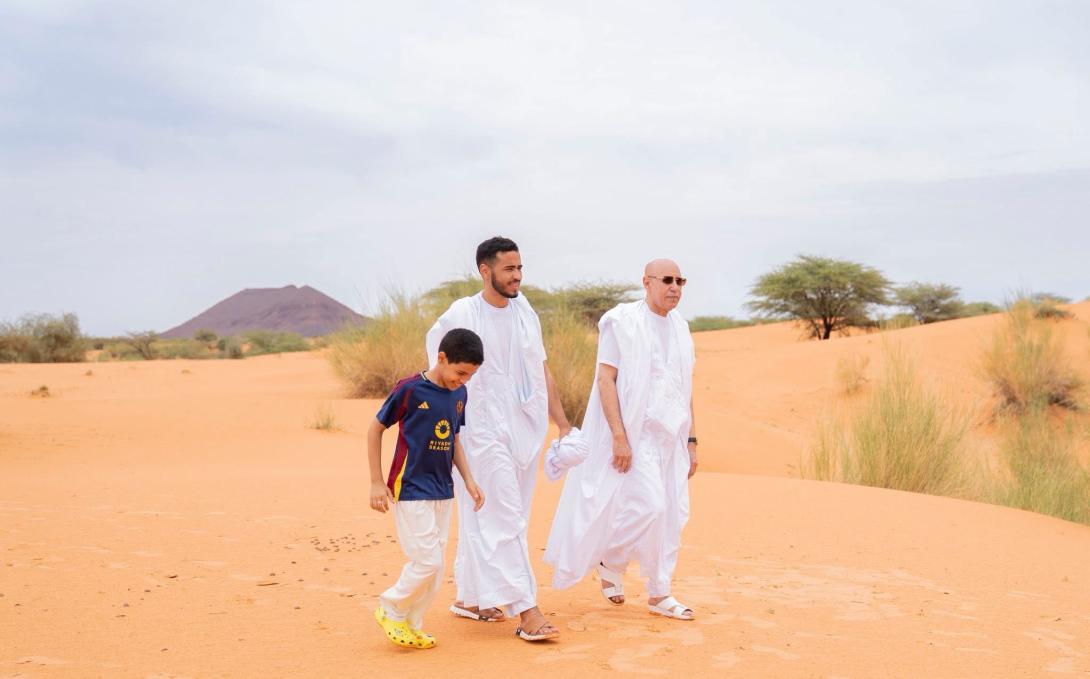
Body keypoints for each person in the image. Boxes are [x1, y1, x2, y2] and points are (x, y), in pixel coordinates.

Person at [426, 236, 572, 642]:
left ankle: (472, 598)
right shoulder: (462, 314)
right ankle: (527, 609)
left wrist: (561, 423)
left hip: (524, 428)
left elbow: (541, 369)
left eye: (520, 268)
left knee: (499, 514)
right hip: (479, 431)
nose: (517, 276)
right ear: (485, 270)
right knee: (502, 516)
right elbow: (438, 371)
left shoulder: (525, 312)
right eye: (509, 269)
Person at [545, 258, 699, 621]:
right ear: (646, 282)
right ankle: (612, 560)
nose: (674, 287)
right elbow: (605, 380)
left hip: (672, 438)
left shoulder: (681, 327)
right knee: (651, 506)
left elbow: (685, 388)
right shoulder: (622, 321)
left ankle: (660, 593)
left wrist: (692, 440)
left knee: (671, 516)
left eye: (680, 281)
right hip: (636, 433)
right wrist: (619, 436)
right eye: (667, 280)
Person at [369, 328, 486, 649]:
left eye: (470, 375)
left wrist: (469, 479)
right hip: (410, 488)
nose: (463, 380)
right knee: (427, 562)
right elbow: (375, 428)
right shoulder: (410, 390)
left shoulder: (460, 394)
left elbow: (455, 440)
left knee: (436, 568)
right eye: (460, 372)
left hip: (443, 489)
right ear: (442, 358)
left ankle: (411, 623)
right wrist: (376, 481)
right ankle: (391, 607)